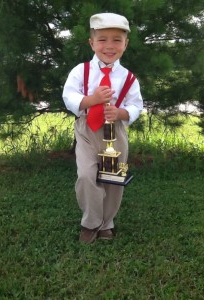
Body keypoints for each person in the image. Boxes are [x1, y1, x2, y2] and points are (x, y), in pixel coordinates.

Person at [62, 12, 143, 244]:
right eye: (102, 39)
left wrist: (121, 113)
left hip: (115, 131)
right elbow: (69, 97)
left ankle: (107, 223)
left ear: (125, 44)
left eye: (117, 40)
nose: (109, 45)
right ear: (91, 42)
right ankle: (90, 222)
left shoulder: (129, 77)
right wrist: (92, 99)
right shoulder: (81, 71)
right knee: (87, 175)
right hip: (88, 128)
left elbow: (136, 105)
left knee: (113, 179)